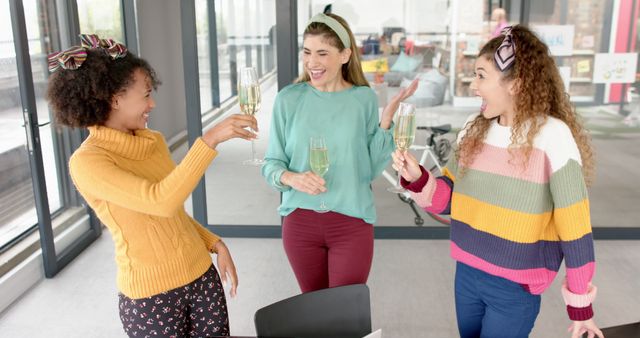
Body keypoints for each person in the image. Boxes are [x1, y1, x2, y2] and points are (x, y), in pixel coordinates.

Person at [392, 25, 604, 338]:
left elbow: (575, 228)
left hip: (514, 287)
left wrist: (581, 308)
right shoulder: (473, 128)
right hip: (466, 274)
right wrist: (417, 179)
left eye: (481, 75)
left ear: (515, 84)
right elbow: (448, 198)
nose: (473, 86)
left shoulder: (553, 136)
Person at [46, 34, 257, 337]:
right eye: (145, 94)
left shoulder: (152, 141)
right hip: (152, 297)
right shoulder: (89, 162)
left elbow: (171, 215)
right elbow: (159, 201)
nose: (152, 103)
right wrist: (209, 140)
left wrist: (214, 242)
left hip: (201, 275)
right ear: (114, 99)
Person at [261, 13, 418, 293]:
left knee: (345, 313)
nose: (312, 62)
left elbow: (368, 170)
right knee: (314, 311)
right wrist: (290, 178)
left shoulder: (363, 99)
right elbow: (271, 164)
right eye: (307, 52)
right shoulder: (288, 99)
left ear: (345, 55)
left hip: (351, 222)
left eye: (323, 53)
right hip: (300, 223)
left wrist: (386, 122)